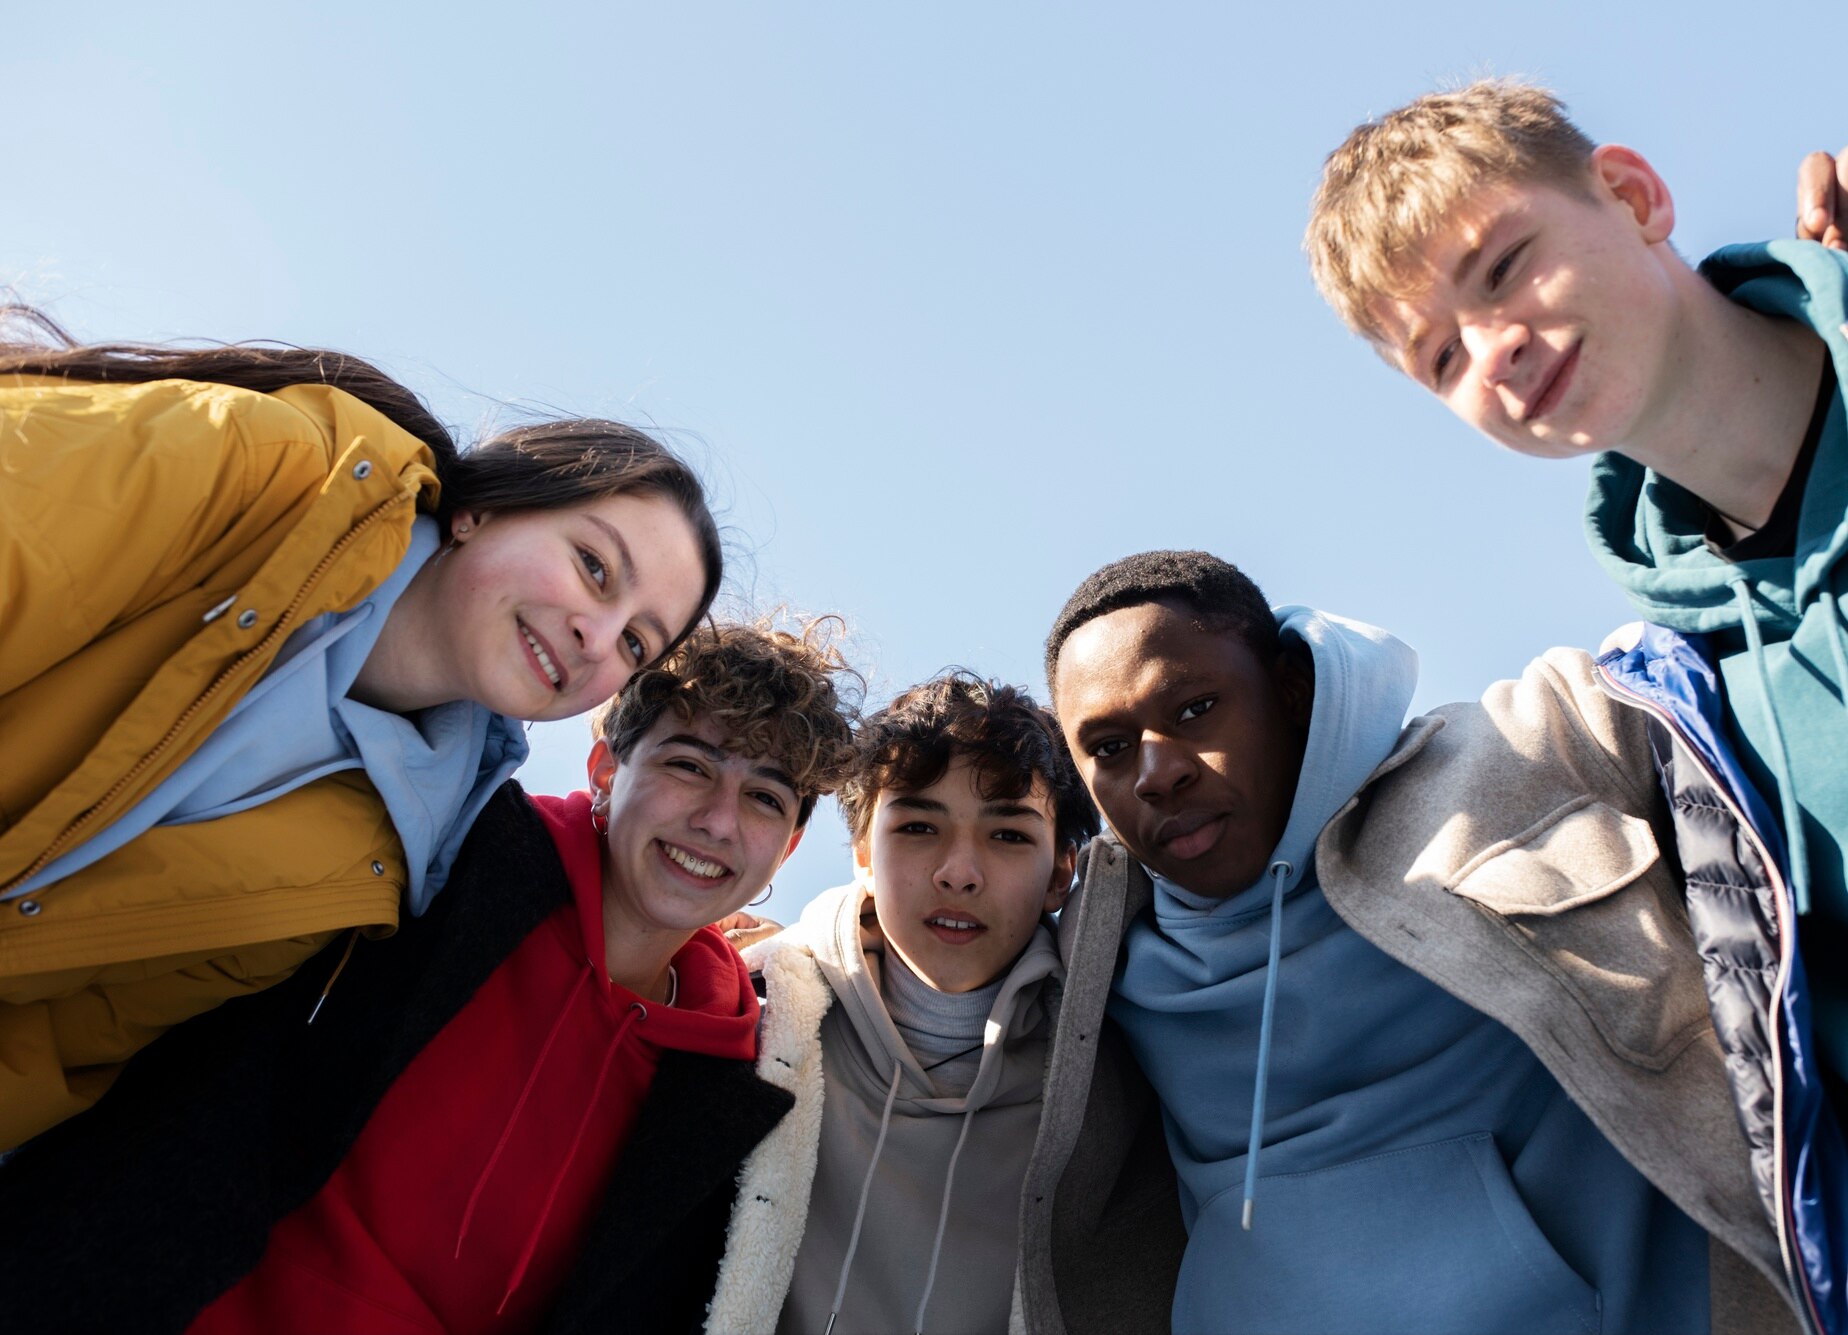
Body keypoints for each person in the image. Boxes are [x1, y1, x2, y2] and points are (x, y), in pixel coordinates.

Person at [1305, 82, 1848, 1335]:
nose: (1495, 349)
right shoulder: (1669, 698)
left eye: (1503, 266)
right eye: (1441, 358)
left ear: (1630, 197)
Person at [1014, 548, 1848, 1335]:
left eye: (1194, 709)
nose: (1158, 770)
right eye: (1108, 746)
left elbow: (1752, 647)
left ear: (1289, 690)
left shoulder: (1516, 750)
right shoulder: (1095, 961)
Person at [0, 619, 862, 1335]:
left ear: (786, 847)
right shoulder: (444, 857)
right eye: (690, 765)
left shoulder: (736, 1076)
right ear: (605, 769)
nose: (717, 820)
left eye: (764, 798)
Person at [0, 309, 722, 1150]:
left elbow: (64, 1044)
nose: (597, 638)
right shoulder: (272, 464)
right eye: (594, 567)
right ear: (482, 512)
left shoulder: (369, 870)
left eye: (635, 641)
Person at [702, 672, 1103, 1335]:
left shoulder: (1104, 1079)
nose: (958, 871)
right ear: (863, 851)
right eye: (918, 825)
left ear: (1062, 869)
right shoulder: (753, 1008)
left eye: (1008, 835)